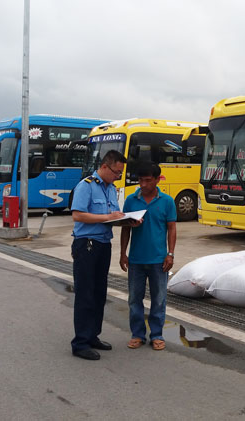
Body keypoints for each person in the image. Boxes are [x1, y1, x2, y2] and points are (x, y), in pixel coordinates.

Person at [69, 150, 137, 361]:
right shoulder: (86, 185)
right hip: (86, 245)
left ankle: (92, 336)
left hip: (103, 245)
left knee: (99, 293)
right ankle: (80, 342)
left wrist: (126, 220)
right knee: (85, 293)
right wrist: (108, 216)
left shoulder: (110, 189)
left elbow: (111, 217)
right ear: (105, 167)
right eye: (116, 172)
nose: (118, 176)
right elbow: (77, 214)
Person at [120, 161, 176, 351]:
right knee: (134, 299)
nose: (143, 185)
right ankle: (137, 334)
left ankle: (157, 335)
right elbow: (125, 229)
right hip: (136, 260)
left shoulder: (167, 201)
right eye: (140, 181)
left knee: (159, 299)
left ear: (157, 180)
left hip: (159, 260)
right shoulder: (130, 200)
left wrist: (170, 254)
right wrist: (122, 253)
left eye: (147, 180)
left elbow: (171, 228)